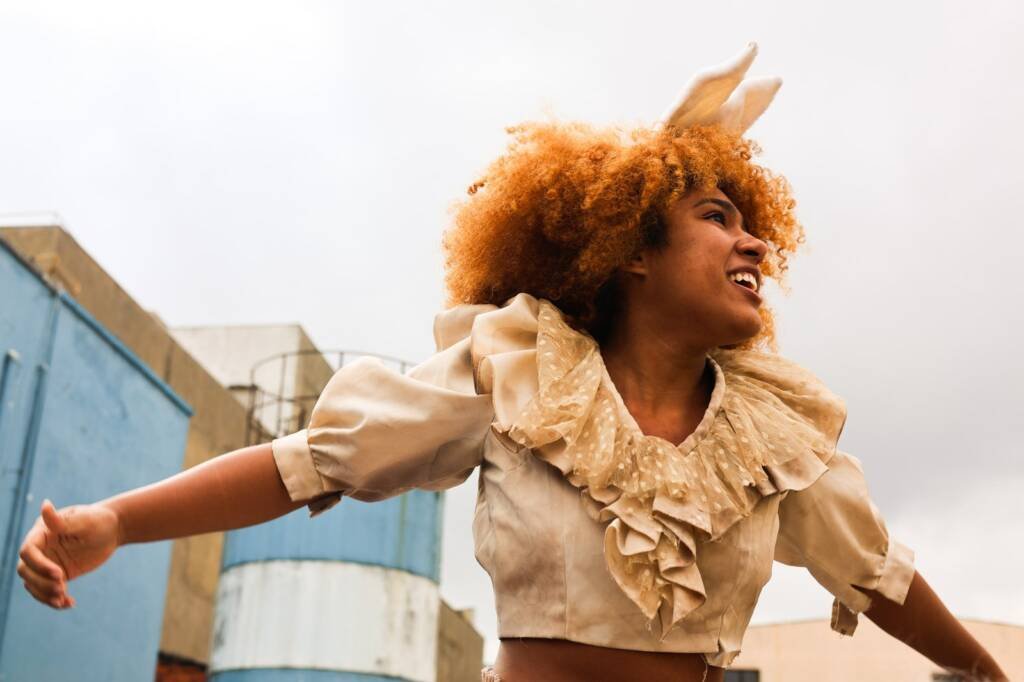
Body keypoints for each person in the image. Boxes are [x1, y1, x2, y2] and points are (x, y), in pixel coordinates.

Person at [16, 45, 1008, 682]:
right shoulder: (519, 373)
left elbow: (876, 573)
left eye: (757, 229)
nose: (753, 246)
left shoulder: (773, 438)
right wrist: (113, 521)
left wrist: (986, 674)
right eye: (717, 218)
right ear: (631, 249)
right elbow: (302, 464)